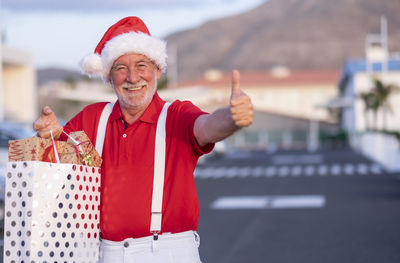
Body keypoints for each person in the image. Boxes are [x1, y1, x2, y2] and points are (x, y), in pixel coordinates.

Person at [33, 16, 253, 263]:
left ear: (157, 70)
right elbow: (51, 173)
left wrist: (231, 118)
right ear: (108, 77)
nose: (132, 77)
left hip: (168, 252)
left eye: (141, 65)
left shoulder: (176, 115)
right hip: (102, 253)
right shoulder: (92, 120)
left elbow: (207, 127)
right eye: (120, 68)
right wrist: (46, 137)